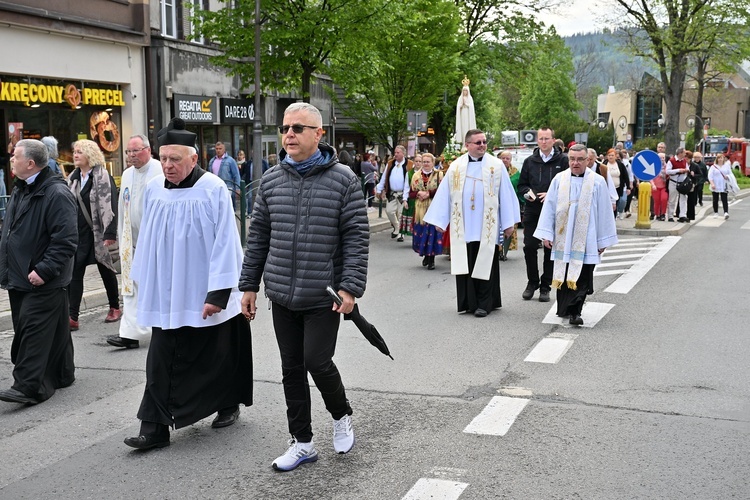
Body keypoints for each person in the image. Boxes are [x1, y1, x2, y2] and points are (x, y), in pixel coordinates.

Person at [240, 102, 368, 471]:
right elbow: (258, 236)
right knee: (291, 367)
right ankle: (302, 442)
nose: (289, 135)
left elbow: (356, 238)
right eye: (285, 128)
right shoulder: (271, 180)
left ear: (319, 134)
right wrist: (248, 285)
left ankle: (341, 414)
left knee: (317, 361)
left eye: (298, 128)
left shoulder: (344, 179)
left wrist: (350, 287)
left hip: (323, 294)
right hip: (281, 294)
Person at [124, 118, 253, 450]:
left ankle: (227, 403)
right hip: (168, 291)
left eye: (175, 160)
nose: (167, 166)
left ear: (193, 159)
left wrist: (219, 293)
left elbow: (227, 242)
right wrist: (143, 281)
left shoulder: (212, 189)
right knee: (161, 354)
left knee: (216, 353)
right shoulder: (153, 189)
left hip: (203, 289)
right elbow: (149, 240)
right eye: (164, 159)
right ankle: (153, 428)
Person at [0, 139, 77, 405]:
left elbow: (66, 239)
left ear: (30, 163)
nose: (11, 160)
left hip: (41, 278)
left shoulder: (56, 193)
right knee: (53, 328)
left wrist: (44, 270)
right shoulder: (22, 187)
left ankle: (28, 386)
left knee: (32, 331)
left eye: (15, 157)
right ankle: (63, 373)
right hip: (20, 275)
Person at [424, 129, 520, 317]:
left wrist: (509, 223)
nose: (482, 145)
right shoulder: (456, 167)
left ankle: (485, 303)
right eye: (478, 143)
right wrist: (440, 220)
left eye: (484, 142)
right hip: (465, 227)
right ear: (467, 145)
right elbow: (445, 194)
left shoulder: (496, 165)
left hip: (488, 227)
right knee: (465, 264)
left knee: (486, 264)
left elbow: (506, 196)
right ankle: (469, 303)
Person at [533, 145, 618, 326]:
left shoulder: (597, 181)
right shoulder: (559, 179)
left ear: (588, 160)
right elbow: (549, 208)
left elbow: (604, 211)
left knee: (583, 273)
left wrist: (602, 240)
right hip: (563, 235)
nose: (575, 163)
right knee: (563, 272)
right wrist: (546, 234)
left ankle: (575, 311)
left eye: (580, 159)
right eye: (572, 159)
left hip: (587, 237)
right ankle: (564, 308)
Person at [106, 135, 163, 350]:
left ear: (148, 150)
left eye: (135, 151)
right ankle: (129, 334)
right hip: (133, 242)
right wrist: (121, 236)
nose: (131, 156)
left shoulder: (159, 171)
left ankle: (161, 326)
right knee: (130, 288)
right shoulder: (128, 174)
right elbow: (123, 207)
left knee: (155, 286)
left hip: (154, 242)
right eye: (128, 152)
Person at [67, 139, 120, 331]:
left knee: (106, 270)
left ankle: (114, 306)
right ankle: (72, 316)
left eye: (80, 152)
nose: (75, 155)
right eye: (75, 152)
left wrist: (110, 233)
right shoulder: (73, 178)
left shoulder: (102, 176)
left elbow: (110, 205)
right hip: (79, 234)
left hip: (98, 232)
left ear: (90, 155)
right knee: (75, 272)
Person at [517, 127, 569, 303]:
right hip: (533, 209)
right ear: (537, 141)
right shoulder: (530, 161)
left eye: (547, 138)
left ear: (553, 140)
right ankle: (532, 282)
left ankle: (545, 286)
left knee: (549, 248)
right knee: (530, 246)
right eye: (541, 139)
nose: (544, 142)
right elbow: (522, 185)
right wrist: (528, 193)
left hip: (554, 210)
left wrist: (551, 194)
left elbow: (568, 184)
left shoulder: (563, 161)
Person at [409, 153, 443, 270]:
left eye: (428, 162)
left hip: (434, 207)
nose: (426, 164)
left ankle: (431, 259)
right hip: (420, 209)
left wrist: (429, 193)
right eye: (424, 162)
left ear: (433, 163)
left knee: (432, 233)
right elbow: (411, 193)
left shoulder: (439, 175)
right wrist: (418, 193)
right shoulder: (416, 176)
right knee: (422, 232)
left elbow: (442, 191)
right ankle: (425, 255)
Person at [376, 145, 413, 241]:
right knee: (389, 211)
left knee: (401, 214)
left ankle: (401, 233)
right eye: (395, 152)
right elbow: (384, 177)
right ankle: (397, 227)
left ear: (403, 153)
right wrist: (379, 189)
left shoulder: (409, 164)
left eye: (398, 153)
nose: (395, 154)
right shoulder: (390, 163)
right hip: (392, 193)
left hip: (403, 193)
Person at [498, 151, 522, 261]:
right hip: (497, 204)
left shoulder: (515, 172)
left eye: (507, 158)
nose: (505, 160)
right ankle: (498, 250)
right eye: (503, 158)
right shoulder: (494, 170)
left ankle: (504, 252)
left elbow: (519, 187)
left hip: (510, 204)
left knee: (508, 227)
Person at [209, 141, 241, 208]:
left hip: (227, 187)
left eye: (220, 148)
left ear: (224, 149)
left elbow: (236, 175)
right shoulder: (212, 161)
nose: (218, 150)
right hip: (214, 188)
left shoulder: (230, 160)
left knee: (228, 207)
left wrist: (238, 188)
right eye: (217, 148)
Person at [666, 147, 690, 222]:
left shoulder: (684, 161)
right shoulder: (671, 161)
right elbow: (667, 171)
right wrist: (679, 170)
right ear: (680, 153)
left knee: (683, 198)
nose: (685, 154)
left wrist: (686, 170)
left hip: (682, 182)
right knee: (672, 199)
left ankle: (682, 215)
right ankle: (670, 215)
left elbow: (687, 168)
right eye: (684, 153)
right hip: (673, 181)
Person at [708, 153, 733, 219]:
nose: (720, 159)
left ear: (723, 159)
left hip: (723, 184)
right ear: (717, 159)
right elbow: (710, 176)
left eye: (721, 158)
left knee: (724, 199)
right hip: (715, 184)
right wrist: (712, 184)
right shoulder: (713, 167)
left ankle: (726, 212)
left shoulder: (726, 166)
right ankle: (716, 212)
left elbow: (730, 174)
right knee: (715, 199)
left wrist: (727, 176)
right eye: (719, 158)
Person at [400, 153, 421, 232]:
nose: (418, 163)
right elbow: (406, 187)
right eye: (416, 161)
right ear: (414, 162)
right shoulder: (409, 173)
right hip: (412, 199)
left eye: (420, 161)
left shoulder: (424, 173)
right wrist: (405, 200)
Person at [651, 153, 669, 221]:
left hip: (664, 186)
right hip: (655, 186)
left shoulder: (667, 166)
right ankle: (657, 214)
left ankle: (663, 214)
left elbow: (669, 174)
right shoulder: (653, 166)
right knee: (656, 201)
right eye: (660, 158)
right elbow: (651, 177)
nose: (662, 159)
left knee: (664, 199)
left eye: (663, 158)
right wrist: (653, 184)